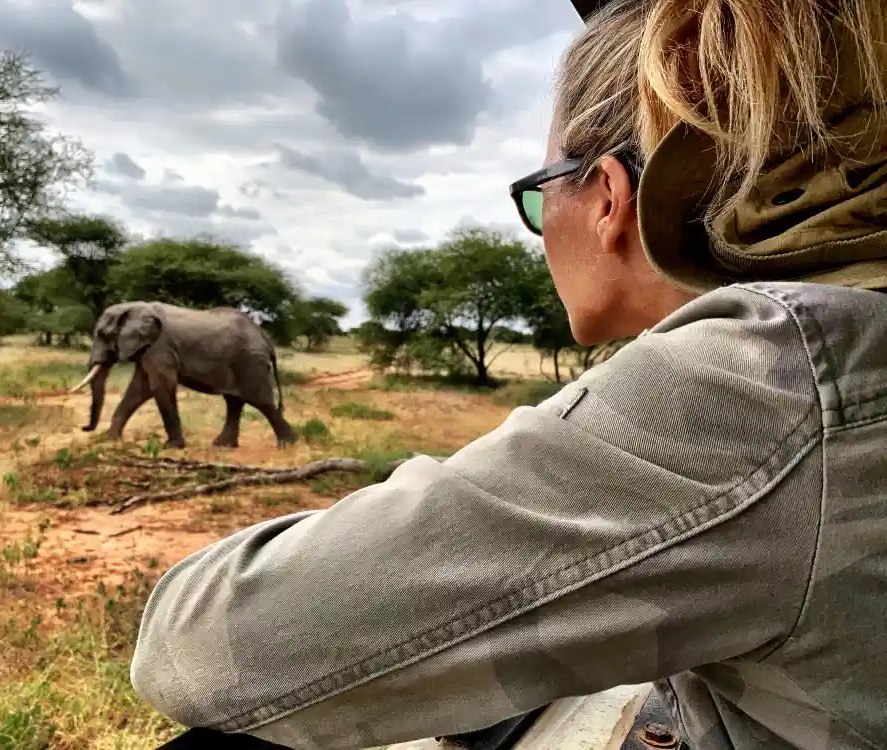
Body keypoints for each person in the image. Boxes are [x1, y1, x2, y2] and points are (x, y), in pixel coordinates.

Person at [130, 0, 887, 747]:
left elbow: (194, 647)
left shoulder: (763, 379)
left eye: (537, 194)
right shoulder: (843, 334)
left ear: (608, 200)